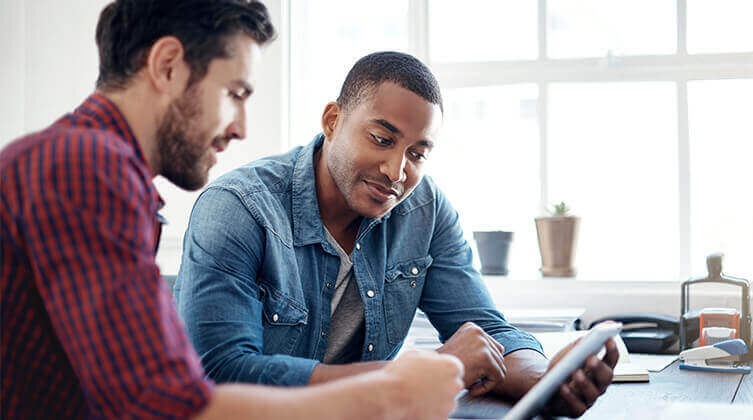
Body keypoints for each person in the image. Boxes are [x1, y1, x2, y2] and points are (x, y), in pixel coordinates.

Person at [0, 2, 464, 419]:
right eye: (236, 94)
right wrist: (387, 391)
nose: (241, 128)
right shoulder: (84, 167)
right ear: (167, 67)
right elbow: (163, 401)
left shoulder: (88, 166)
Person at [175, 51, 619, 417]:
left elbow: (483, 328)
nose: (397, 172)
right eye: (382, 139)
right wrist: (418, 375)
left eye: (418, 153)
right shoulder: (237, 208)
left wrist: (548, 379)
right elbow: (220, 374)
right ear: (332, 121)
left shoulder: (424, 209)